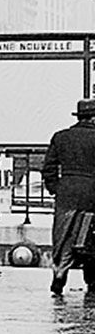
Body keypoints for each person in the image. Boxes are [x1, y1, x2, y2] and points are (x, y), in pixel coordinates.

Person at [42, 98, 95, 294]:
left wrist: (57, 188)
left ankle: (59, 275)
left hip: (66, 195)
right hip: (92, 195)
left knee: (64, 236)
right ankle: (92, 280)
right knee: (90, 237)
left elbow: (48, 168)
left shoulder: (61, 137)